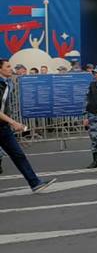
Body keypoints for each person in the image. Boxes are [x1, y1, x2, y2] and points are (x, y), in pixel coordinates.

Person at [0, 59, 56, 192]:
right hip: (4, 124)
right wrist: (13, 122)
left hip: (3, 126)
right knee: (17, 154)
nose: (11, 69)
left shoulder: (7, 83)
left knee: (18, 154)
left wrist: (10, 122)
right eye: (8, 66)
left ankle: (35, 183)